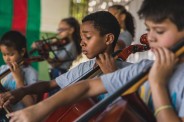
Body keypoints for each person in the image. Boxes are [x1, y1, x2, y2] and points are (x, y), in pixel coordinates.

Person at [3, 0, 184, 121]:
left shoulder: (150, 73)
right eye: (148, 29)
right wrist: (37, 109)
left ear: (108, 39)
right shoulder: (144, 68)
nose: (150, 37)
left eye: (159, 31)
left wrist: (158, 85)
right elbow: (86, 86)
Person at [0, 11, 132, 121]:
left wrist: (112, 75)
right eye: (81, 38)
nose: (82, 43)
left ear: (108, 39)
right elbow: (49, 84)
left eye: (88, 37)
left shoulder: (128, 71)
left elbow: (133, 109)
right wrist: (22, 91)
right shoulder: (83, 68)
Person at [0, 31, 38, 120]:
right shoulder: (2, 69)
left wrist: (19, 80)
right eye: (4, 54)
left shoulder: (31, 72)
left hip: (19, 118)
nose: (7, 58)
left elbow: (31, 103)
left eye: (11, 54)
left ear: (22, 52)